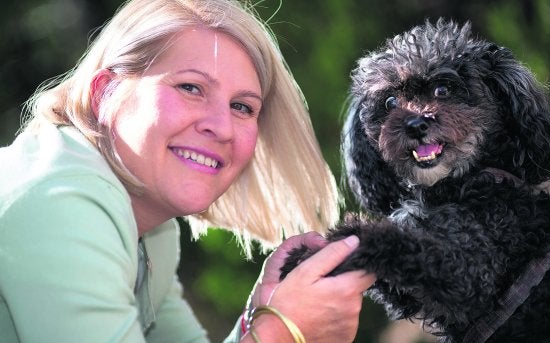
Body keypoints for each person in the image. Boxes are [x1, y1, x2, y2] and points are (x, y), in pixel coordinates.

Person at [0, 0, 376, 342]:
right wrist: (284, 330)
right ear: (106, 93)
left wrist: (260, 312)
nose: (222, 127)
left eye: (243, 107)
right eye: (191, 87)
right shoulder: (61, 204)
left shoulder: (152, 227)